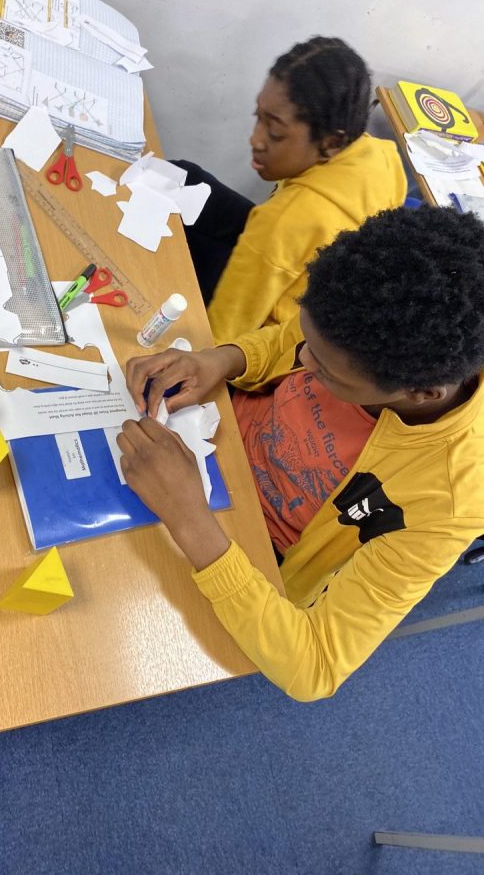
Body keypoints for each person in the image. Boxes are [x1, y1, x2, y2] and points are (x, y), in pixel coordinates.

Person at [117, 206, 484, 702]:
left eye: (327, 371)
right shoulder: (357, 318)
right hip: (209, 441)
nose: (303, 360)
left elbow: (316, 667)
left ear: (419, 394)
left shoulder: (450, 500)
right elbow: (285, 341)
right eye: (309, 342)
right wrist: (223, 359)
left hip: (234, 542)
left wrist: (189, 518)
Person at [174, 36, 407, 341]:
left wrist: (204, 353)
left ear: (331, 142)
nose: (255, 140)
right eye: (259, 117)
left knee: (174, 256)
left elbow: (224, 333)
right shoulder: (381, 155)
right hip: (308, 273)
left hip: (274, 330)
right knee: (184, 177)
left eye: (274, 132)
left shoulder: (284, 220)